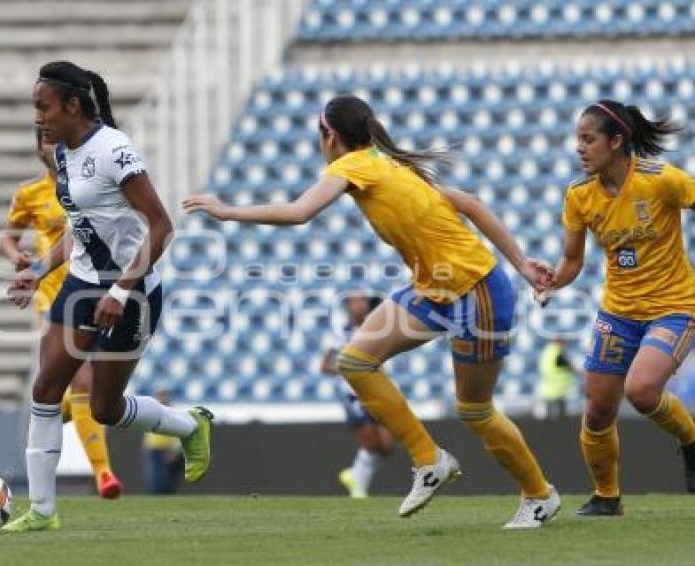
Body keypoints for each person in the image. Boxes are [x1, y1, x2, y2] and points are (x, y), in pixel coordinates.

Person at [184, 94, 560, 528]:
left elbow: (300, 211)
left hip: (479, 292)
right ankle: (429, 460)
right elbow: (470, 202)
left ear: (330, 136)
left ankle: (538, 496)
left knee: (474, 409)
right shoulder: (387, 163)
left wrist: (229, 212)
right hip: (435, 288)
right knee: (356, 361)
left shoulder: (353, 165)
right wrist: (523, 263)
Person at [3, 61, 213, 532]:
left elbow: (161, 228)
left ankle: (189, 425)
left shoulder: (114, 152)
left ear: (73, 105)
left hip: (132, 291)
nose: (38, 117)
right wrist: (39, 270)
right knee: (45, 388)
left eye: (44, 107)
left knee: (104, 408)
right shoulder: (62, 154)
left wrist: (121, 290)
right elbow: (80, 230)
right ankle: (41, 511)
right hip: (80, 285)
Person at [541, 99, 695, 516]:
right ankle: (607, 497)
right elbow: (572, 260)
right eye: (578, 140)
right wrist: (553, 281)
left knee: (642, 391)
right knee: (597, 410)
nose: (580, 148)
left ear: (616, 141)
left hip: (674, 306)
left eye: (588, 139)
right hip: (618, 313)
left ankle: (691, 439)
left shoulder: (661, 180)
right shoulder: (579, 196)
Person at [0, 128, 123, 499]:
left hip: (96, 289)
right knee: (83, 380)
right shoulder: (30, 194)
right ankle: (104, 475)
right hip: (54, 296)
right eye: (48, 142)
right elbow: (9, 235)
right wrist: (17, 257)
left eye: (60, 142)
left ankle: (56, 411)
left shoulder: (86, 185)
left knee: (91, 388)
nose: (55, 148)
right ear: (39, 149)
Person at [322, 292, 392, 498]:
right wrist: (350, 369)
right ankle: (359, 489)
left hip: (375, 391)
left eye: (364, 300)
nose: (361, 304)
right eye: (356, 300)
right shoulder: (341, 334)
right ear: (348, 306)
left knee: (386, 446)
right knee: (370, 444)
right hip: (352, 393)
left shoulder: (376, 331)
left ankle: (353, 475)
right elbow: (326, 366)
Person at [142, 389, 184, 494]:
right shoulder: (152, 413)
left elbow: (179, 435)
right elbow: (147, 434)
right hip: (153, 450)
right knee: (155, 480)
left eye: (163, 396)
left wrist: (174, 451)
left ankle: (166, 499)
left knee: (167, 481)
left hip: (167, 451)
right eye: (159, 396)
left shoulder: (174, 414)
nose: (161, 399)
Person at [538, 338, 578, 419]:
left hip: (548, 390)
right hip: (559, 390)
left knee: (549, 417)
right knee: (560, 417)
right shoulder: (558, 354)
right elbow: (570, 366)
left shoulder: (548, 352)